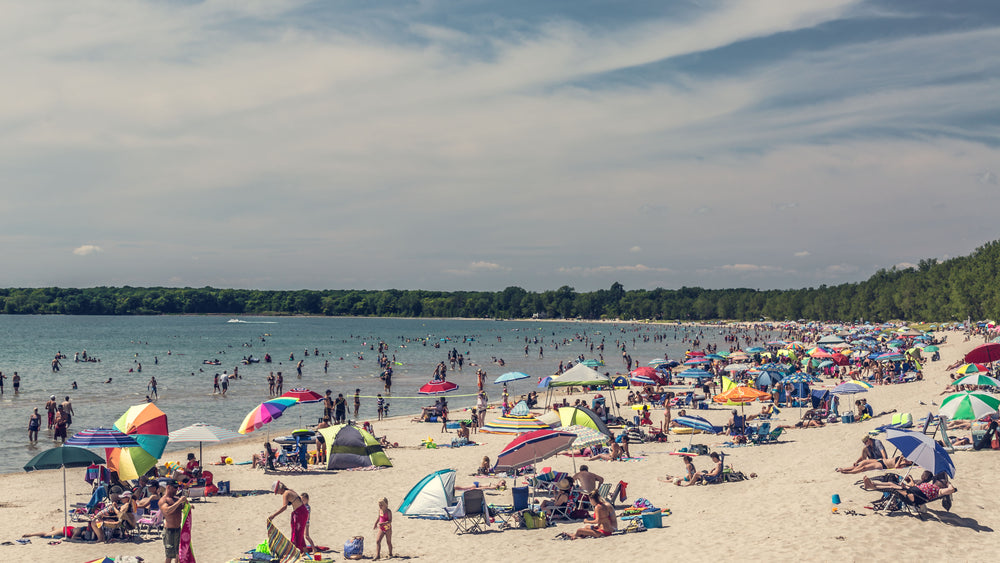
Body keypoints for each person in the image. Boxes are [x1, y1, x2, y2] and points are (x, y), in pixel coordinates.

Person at [269, 481, 308, 555]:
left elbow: (284, 507)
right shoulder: (290, 490)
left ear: (280, 488)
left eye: (277, 491)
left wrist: (273, 515)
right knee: (299, 532)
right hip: (303, 511)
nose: (278, 493)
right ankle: (305, 550)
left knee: (297, 532)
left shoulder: (285, 494)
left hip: (300, 513)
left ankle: (296, 551)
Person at [159, 480, 189, 562]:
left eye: (177, 488)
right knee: (169, 556)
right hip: (169, 531)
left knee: (178, 554)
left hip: (178, 530)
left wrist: (188, 506)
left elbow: (180, 508)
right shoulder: (163, 500)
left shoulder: (176, 499)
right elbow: (167, 511)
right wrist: (179, 501)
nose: (176, 490)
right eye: (174, 488)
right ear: (168, 487)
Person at [836, 455, 912, 474]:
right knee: (863, 462)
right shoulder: (904, 459)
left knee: (864, 467)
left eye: (910, 461)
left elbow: (896, 467)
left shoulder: (904, 464)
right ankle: (843, 469)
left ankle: (849, 472)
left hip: (883, 466)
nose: (908, 460)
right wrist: (902, 457)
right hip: (881, 460)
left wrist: (900, 459)